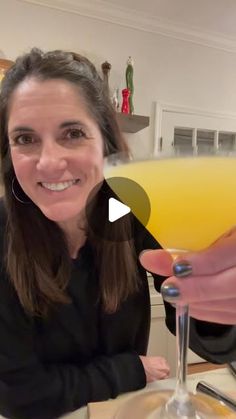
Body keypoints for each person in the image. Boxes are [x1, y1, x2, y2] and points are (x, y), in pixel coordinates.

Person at [0, 48, 234, 419]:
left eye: (73, 133)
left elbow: (204, 330)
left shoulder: (127, 210)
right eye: (25, 139)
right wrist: (131, 369)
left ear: (106, 143)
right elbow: (17, 396)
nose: (48, 162)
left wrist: (222, 303)